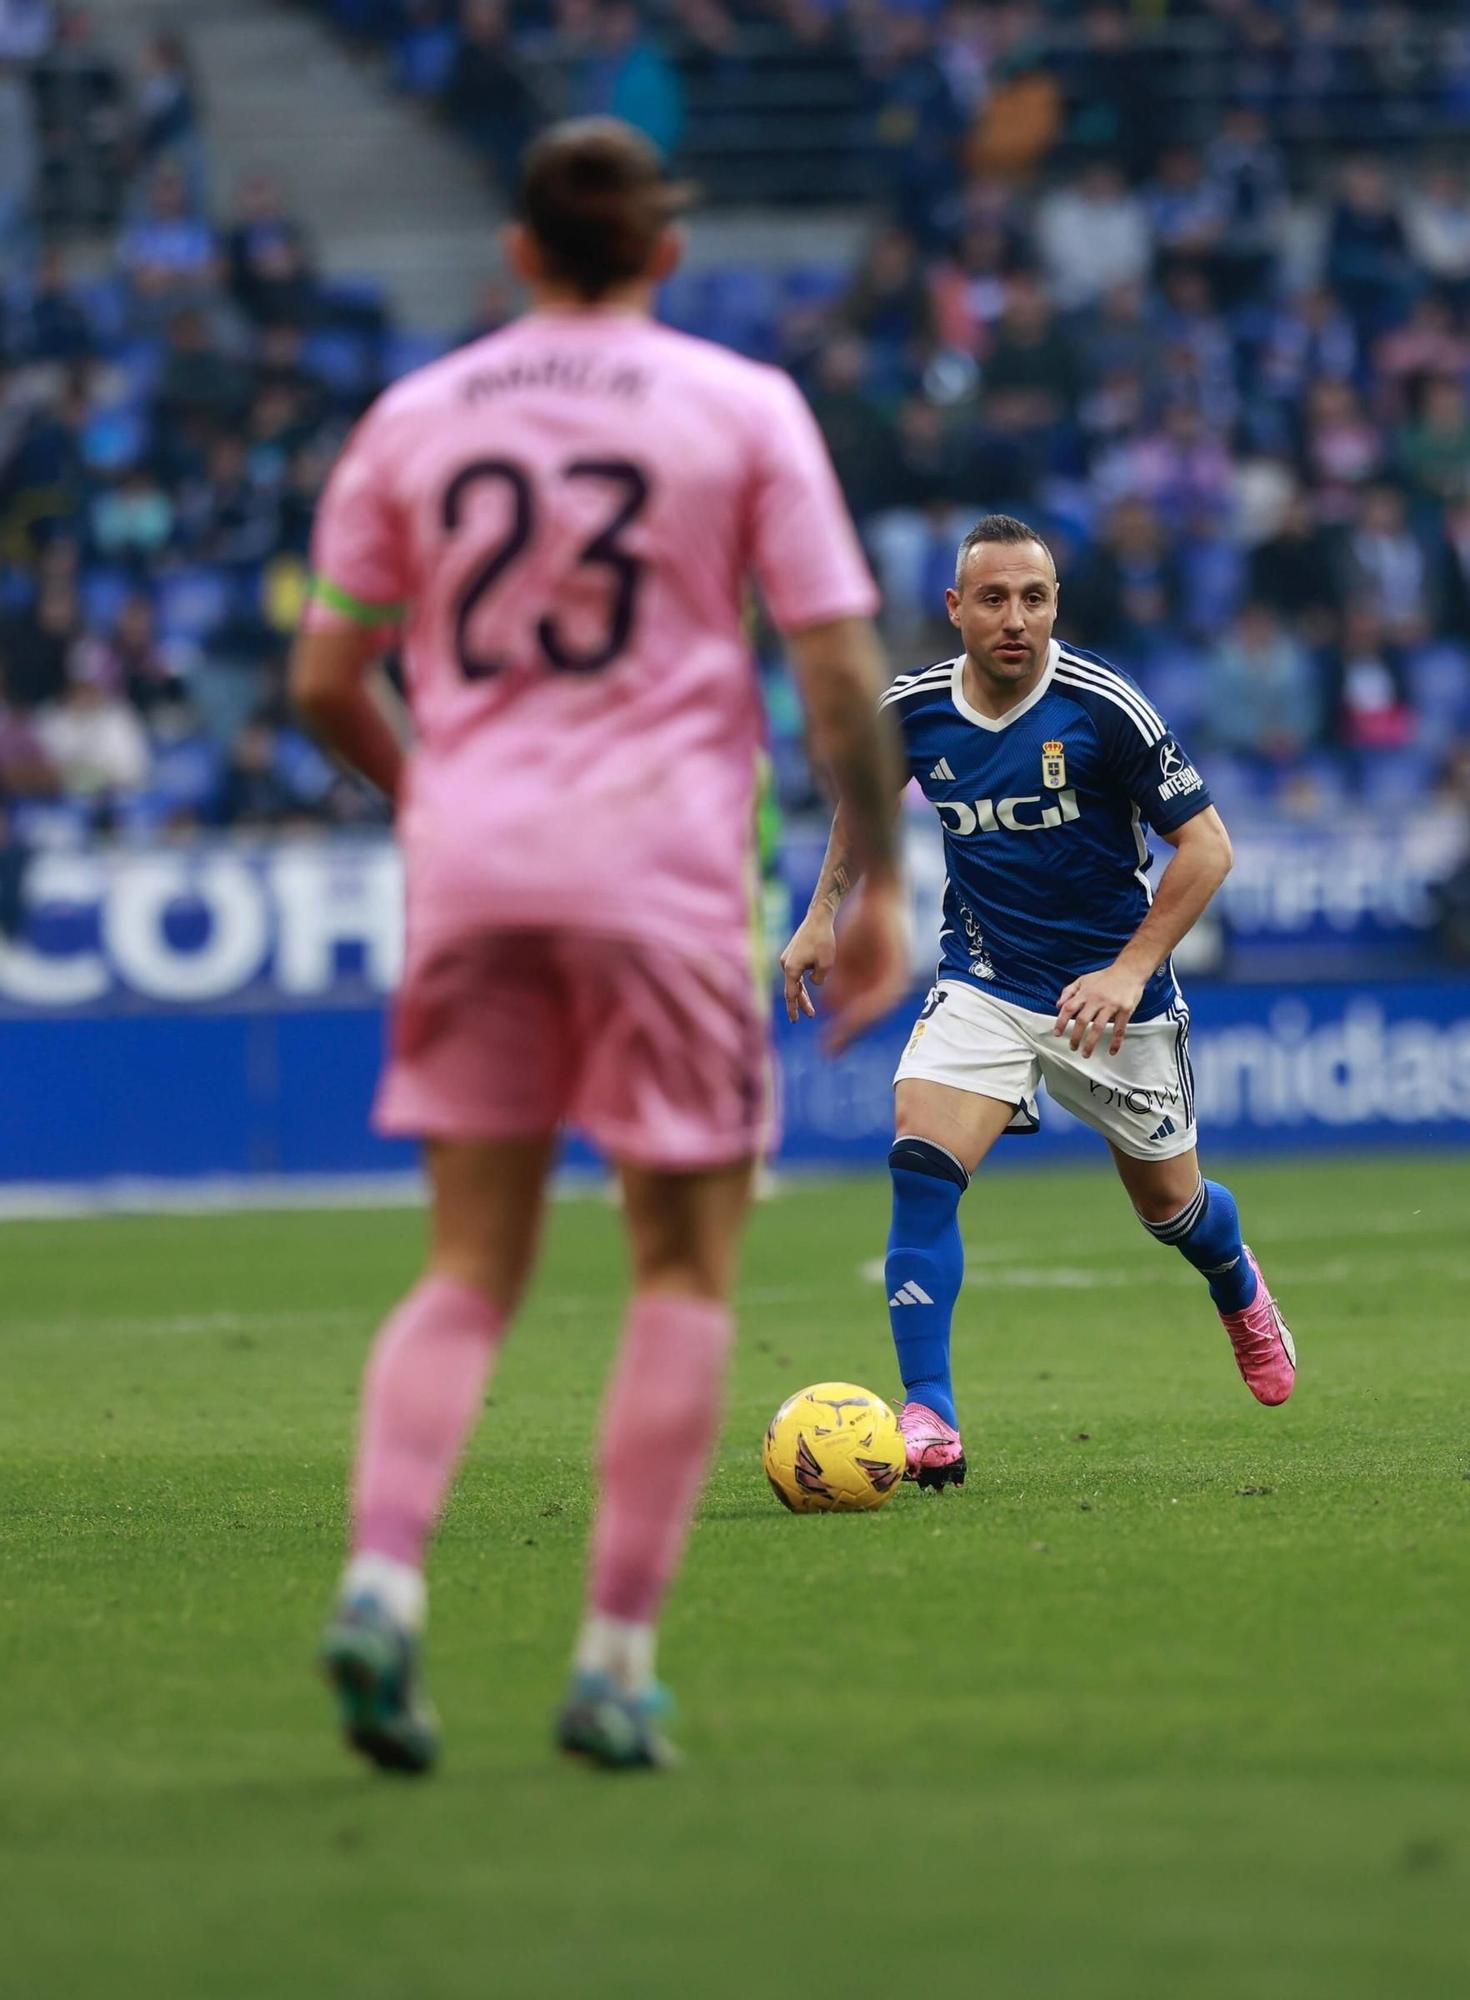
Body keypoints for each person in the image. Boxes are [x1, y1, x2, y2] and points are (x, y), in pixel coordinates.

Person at [290, 119, 909, 1774]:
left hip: (479, 876)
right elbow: (840, 676)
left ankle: (379, 1580)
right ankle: (614, 1662)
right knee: (681, 1270)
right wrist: (883, 890)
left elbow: (321, 680)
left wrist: (438, 805)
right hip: (663, 879)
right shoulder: (740, 409)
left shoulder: (415, 420)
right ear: (666, 254)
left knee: (470, 1268)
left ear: (515, 254)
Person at [781, 515, 1296, 1492]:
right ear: (955, 608)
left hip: (1114, 996)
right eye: (993, 598)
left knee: (1172, 1206)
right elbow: (863, 795)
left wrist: (1127, 970)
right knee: (921, 1159)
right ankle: (929, 1410)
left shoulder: (1104, 707)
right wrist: (823, 917)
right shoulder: (915, 708)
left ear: (1055, 604)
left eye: (1034, 597)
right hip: (984, 975)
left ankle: (1237, 1284)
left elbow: (1209, 848)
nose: (1015, 617)